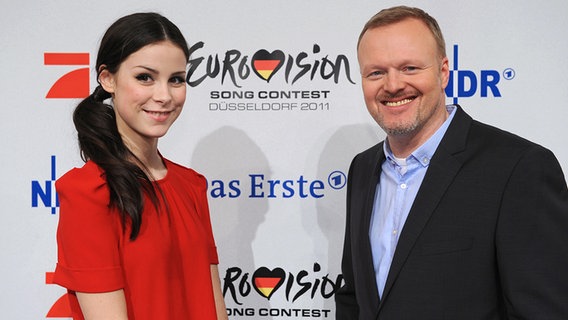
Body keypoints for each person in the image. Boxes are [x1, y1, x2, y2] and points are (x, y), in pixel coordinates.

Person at [335, 5, 568, 319]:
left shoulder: (519, 168)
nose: (392, 85)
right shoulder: (363, 168)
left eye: (410, 68)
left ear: (443, 72)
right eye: (376, 72)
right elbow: (354, 298)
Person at [53, 12, 228, 320]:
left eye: (176, 79)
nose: (164, 96)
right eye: (145, 77)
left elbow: (214, 309)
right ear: (108, 78)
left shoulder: (191, 185)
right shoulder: (88, 193)